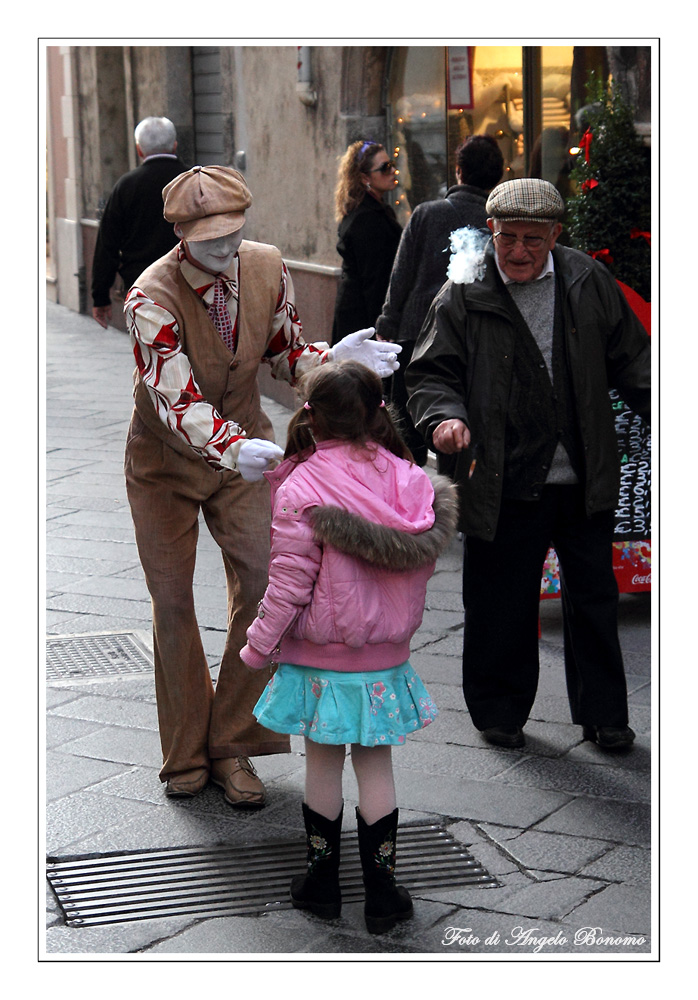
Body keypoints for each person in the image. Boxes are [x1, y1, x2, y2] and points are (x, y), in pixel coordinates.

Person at [123, 165, 401, 806]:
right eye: (209, 241)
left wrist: (332, 361)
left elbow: (285, 351)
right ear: (181, 236)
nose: (225, 252)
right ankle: (184, 752)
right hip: (164, 462)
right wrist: (231, 446)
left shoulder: (267, 266)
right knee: (172, 603)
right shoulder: (150, 296)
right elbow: (173, 397)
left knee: (264, 583)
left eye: (234, 236)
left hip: (248, 445)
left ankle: (234, 744)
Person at [405, 177, 651, 751]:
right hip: (499, 473)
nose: (517, 251)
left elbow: (637, 365)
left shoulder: (588, 281)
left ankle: (605, 715)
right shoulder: (464, 289)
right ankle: (500, 711)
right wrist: (444, 417)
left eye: (531, 240)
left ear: (555, 235)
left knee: (594, 598)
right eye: (506, 237)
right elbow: (429, 371)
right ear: (490, 231)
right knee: (499, 600)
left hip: (582, 473)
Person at [240, 360, 458, 933]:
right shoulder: (410, 482)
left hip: (320, 657)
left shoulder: (304, 487)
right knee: (376, 766)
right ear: (375, 412)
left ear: (311, 419)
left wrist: (258, 644)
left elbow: (289, 582)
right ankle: (384, 893)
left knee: (321, 764)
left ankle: (322, 883)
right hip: (384, 659)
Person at [376, 135, 504, 465]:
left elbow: (400, 276)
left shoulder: (426, 214)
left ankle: (408, 505)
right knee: (454, 431)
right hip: (468, 338)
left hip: (414, 334)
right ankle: (452, 501)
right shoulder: (497, 224)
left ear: (458, 171)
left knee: (406, 435)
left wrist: (387, 324)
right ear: (498, 176)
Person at [92, 117, 187, 329]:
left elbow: (107, 244)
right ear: (174, 145)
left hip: (142, 285)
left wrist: (100, 296)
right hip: (191, 283)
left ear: (139, 150)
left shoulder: (125, 186)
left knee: (149, 350)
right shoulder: (191, 181)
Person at [331, 140, 402, 344]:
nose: (392, 171)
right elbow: (374, 280)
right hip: (361, 319)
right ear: (364, 178)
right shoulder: (366, 218)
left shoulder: (373, 210)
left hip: (362, 314)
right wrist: (381, 328)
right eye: (384, 168)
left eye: (392, 164)